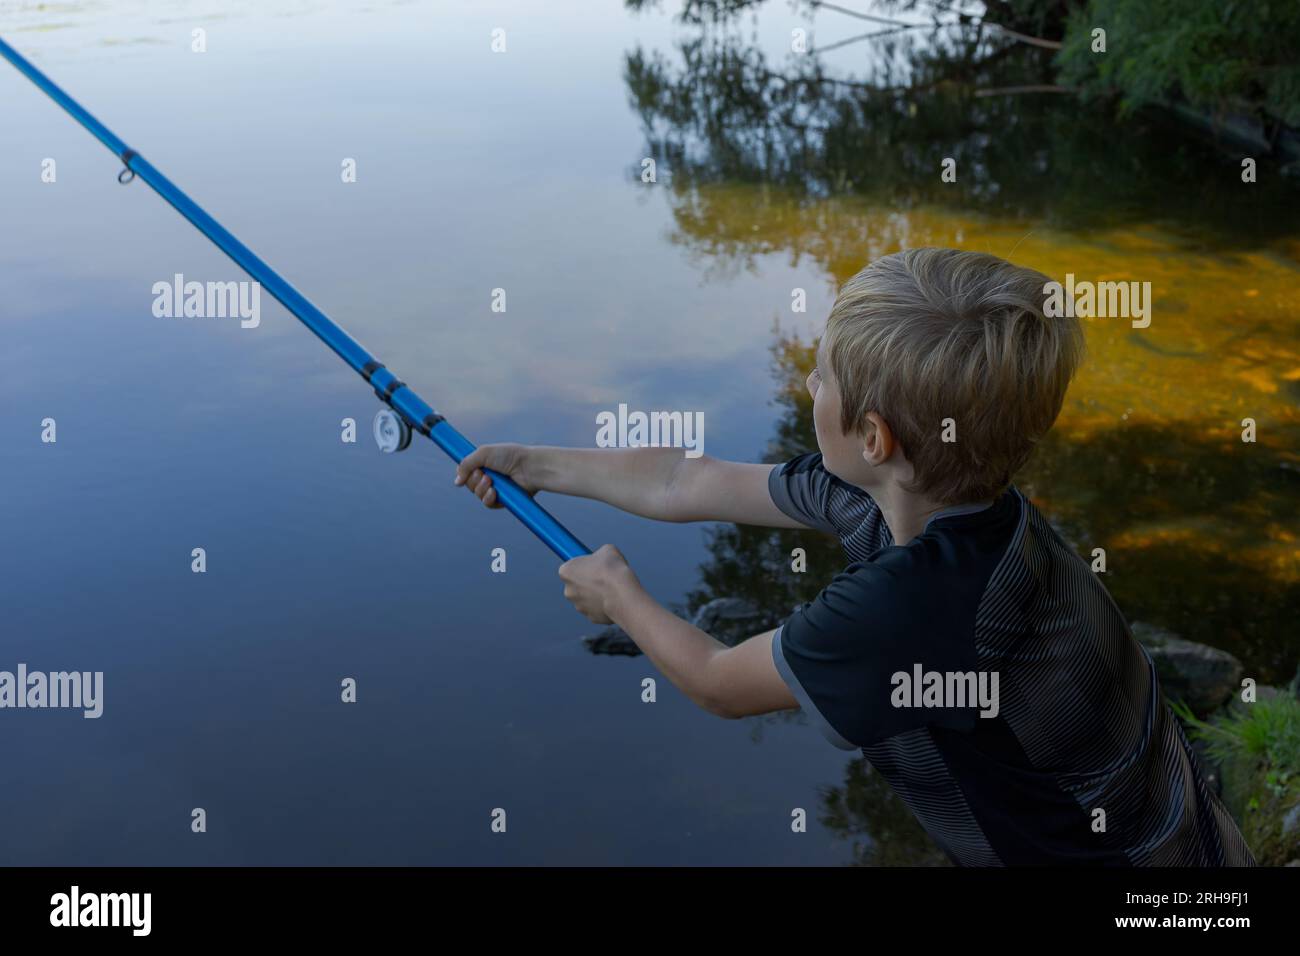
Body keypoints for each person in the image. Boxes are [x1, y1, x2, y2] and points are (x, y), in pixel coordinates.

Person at [455, 247, 1256, 866]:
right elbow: (682, 478)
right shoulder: (924, 495)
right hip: (1186, 835)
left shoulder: (910, 607)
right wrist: (534, 464)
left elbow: (718, 684)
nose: (808, 381)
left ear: (874, 436)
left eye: (823, 377)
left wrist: (619, 596)